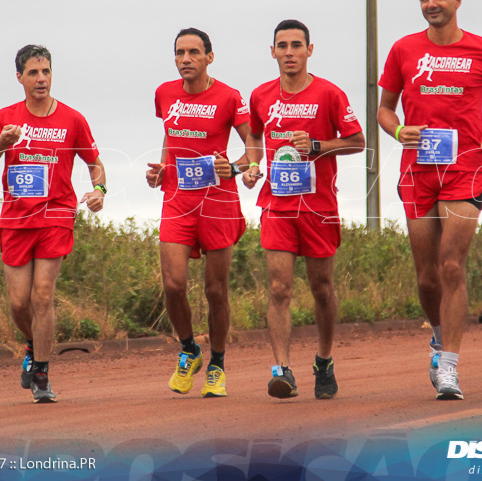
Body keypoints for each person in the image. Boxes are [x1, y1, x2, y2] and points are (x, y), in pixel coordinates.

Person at [377, 0, 482, 400]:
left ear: (458, 0)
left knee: (451, 263)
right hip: (418, 170)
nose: (431, 4)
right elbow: (384, 109)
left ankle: (451, 368)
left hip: (464, 166)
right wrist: (399, 132)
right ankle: (438, 339)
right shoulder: (403, 49)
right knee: (427, 276)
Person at [0, 44, 106, 404]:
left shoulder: (72, 119)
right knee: (19, 304)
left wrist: (99, 190)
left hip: (56, 215)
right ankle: (33, 346)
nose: (41, 79)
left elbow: (95, 164)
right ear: (19, 78)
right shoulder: (5, 117)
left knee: (43, 295)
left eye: (46, 71)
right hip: (16, 219)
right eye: (33, 73)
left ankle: (43, 374)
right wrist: (2, 142)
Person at [248, 20, 365, 400]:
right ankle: (281, 369)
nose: (289, 52)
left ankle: (325, 360)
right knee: (279, 288)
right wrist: (251, 165)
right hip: (277, 205)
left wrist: (316, 145)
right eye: (282, 45)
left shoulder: (329, 93)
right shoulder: (261, 95)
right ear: (272, 52)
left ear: (309, 50)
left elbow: (357, 141)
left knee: (322, 289)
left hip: (318, 207)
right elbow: (253, 133)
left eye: (297, 45)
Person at [147, 28, 257, 398]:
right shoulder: (164, 93)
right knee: (174, 283)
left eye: (194, 52)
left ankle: (217, 364)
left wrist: (238, 167)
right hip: (177, 199)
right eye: (180, 53)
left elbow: (253, 146)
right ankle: (190, 348)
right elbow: (169, 136)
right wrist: (162, 167)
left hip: (217, 204)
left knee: (216, 290)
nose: (186, 59)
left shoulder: (228, 96)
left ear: (210, 57)